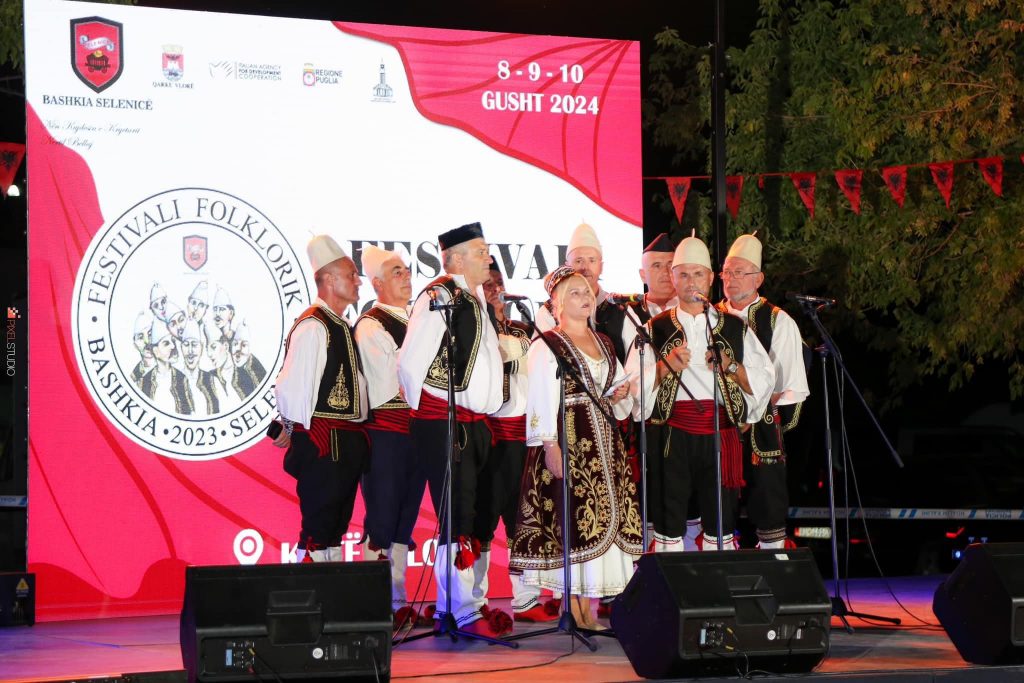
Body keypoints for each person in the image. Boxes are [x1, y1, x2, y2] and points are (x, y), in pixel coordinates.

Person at [398, 222, 523, 638]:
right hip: (445, 422)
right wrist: (432, 415)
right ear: (453, 258)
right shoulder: (440, 296)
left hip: (475, 423)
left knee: (469, 511)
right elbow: (411, 362)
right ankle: (460, 610)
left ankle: (464, 603)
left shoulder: (472, 299)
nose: (489, 257)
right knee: (456, 514)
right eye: (480, 250)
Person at [509, 266, 641, 630]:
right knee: (576, 522)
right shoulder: (547, 342)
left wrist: (621, 394)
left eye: (586, 291)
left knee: (601, 523)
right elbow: (541, 397)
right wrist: (548, 445)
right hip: (570, 439)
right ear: (556, 304)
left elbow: (613, 393)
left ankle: (591, 608)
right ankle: (575, 610)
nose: (584, 298)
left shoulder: (605, 342)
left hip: (604, 443)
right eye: (574, 294)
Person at [626, 234, 774, 552]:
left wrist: (731, 366)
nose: (690, 281)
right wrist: (666, 366)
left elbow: (764, 381)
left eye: (697, 274)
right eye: (683, 274)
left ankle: (718, 593)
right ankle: (669, 596)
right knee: (668, 519)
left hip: (719, 435)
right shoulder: (654, 328)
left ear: (709, 278)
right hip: (670, 436)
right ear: (672, 279)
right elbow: (632, 386)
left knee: (720, 520)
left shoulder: (735, 328)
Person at [272, 235, 369, 563]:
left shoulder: (340, 324)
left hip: (346, 439)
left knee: (335, 527)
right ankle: (309, 603)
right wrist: (294, 431)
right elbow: (291, 386)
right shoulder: (314, 325)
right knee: (317, 526)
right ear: (329, 279)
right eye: (351, 274)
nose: (358, 282)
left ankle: (330, 604)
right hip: (324, 439)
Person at [478, 262, 558, 624]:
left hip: (525, 440)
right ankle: (472, 600)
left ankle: (525, 598)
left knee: (524, 520)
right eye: (487, 284)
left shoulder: (526, 331)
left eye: (498, 283)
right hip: (489, 438)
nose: (495, 290)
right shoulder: (473, 334)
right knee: (479, 523)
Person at [353, 245, 428, 625]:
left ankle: (396, 601)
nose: (406, 276)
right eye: (396, 271)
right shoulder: (371, 325)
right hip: (387, 433)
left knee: (404, 519)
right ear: (377, 283)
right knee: (382, 519)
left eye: (406, 270)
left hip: (415, 433)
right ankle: (374, 604)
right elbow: (391, 384)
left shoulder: (415, 321)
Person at [719, 233, 809, 549]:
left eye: (739, 272)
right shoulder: (709, 317)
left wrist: (747, 413)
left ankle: (772, 573)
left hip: (761, 429)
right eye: (726, 272)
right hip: (716, 429)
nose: (730, 279)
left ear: (758, 278)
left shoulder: (778, 322)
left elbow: (784, 386)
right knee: (717, 507)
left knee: (768, 506)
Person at [535, 222, 607, 335]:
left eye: (592, 260)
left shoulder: (619, 309)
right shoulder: (547, 312)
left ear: (601, 267)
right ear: (567, 266)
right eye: (578, 261)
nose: (585, 267)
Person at [140, 318, 194, 415]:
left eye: (173, 341)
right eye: (166, 343)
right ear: (155, 351)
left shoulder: (182, 379)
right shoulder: (144, 382)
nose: (173, 346)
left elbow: (190, 412)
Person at [180, 320, 220, 415]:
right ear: (181, 347)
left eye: (194, 345)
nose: (190, 351)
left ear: (201, 348)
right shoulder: (175, 379)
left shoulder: (213, 381)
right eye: (186, 345)